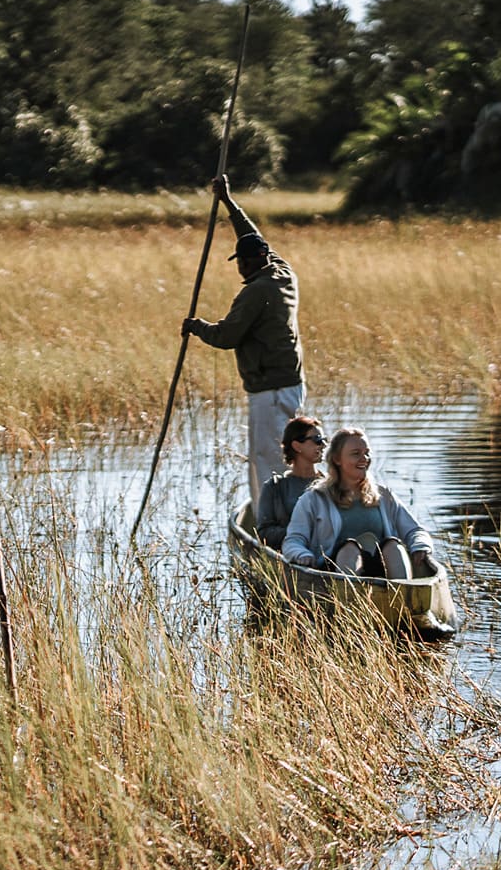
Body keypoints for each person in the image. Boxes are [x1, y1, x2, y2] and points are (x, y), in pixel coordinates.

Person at [182, 174, 306, 506]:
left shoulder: (255, 293)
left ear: (251, 261)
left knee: (269, 461)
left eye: (242, 263)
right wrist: (227, 201)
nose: (240, 269)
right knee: (289, 457)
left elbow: (226, 336)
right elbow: (253, 236)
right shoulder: (283, 273)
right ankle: (287, 513)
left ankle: (276, 523)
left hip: (270, 391)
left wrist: (196, 326)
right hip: (290, 384)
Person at [281, 427, 436, 579]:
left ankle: (403, 600)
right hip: (334, 574)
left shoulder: (383, 495)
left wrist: (420, 546)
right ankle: (348, 602)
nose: (365, 459)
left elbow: (414, 530)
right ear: (337, 459)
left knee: (393, 547)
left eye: (367, 453)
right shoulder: (314, 499)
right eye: (356, 454)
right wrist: (302, 554)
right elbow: (293, 540)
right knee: (349, 549)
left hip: (380, 571)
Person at [254, 416, 326, 549]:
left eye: (324, 440)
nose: (323, 445)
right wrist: (300, 532)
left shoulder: (330, 485)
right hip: (289, 553)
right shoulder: (274, 488)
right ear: (297, 446)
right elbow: (264, 534)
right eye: (317, 440)